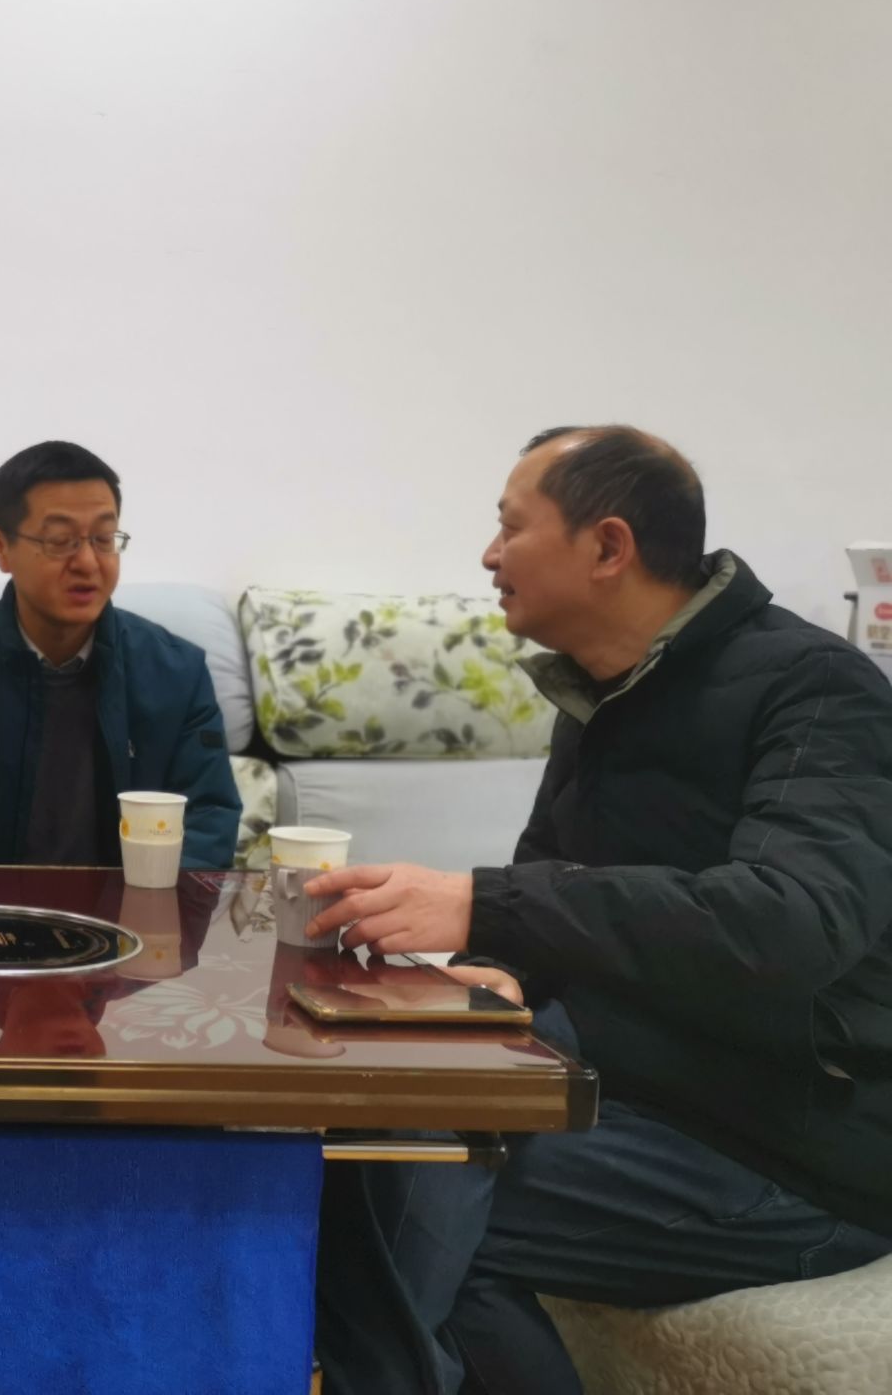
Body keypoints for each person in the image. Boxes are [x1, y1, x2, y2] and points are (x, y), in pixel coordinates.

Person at [308, 426, 892, 1394]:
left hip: (790, 1148)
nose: (488, 555)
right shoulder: (603, 688)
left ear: (607, 546)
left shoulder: (819, 689)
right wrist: (494, 973)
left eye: (510, 527)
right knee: (367, 1141)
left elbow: (787, 922)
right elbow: (549, 885)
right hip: (625, 1091)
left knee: (402, 1202)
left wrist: (482, 907)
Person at [0, 439, 242, 869]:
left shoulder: (176, 673)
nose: (88, 562)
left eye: (103, 539)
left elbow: (206, 825)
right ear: (0, 548)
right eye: (60, 540)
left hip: (137, 909)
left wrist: (149, 910)